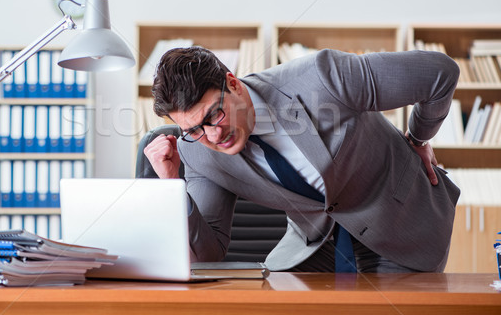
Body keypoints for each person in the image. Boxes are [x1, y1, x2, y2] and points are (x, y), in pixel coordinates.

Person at [143, 46, 460, 273]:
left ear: (233, 83)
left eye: (214, 114)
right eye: (194, 129)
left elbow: (440, 74)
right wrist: (172, 187)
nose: (212, 136)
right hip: (315, 244)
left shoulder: (322, 78)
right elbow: (208, 254)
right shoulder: (198, 151)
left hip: (400, 224)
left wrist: (418, 137)